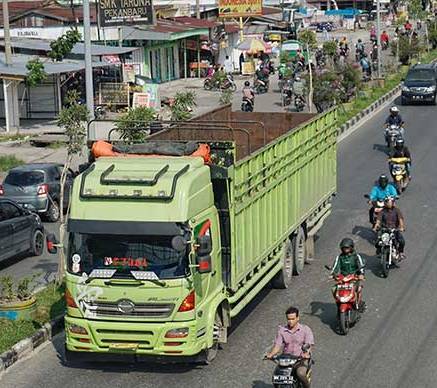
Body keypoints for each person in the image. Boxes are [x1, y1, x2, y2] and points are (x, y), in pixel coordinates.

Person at [266, 306, 314, 388]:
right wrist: (270, 354)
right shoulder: (282, 330)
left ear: (297, 318)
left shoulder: (305, 330)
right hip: (286, 359)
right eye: (288, 319)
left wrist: (306, 353)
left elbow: (309, 344)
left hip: (300, 359)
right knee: (276, 377)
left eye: (293, 319)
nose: (290, 321)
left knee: (301, 373)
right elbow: (277, 345)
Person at [331, 238, 366, 312]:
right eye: (344, 248)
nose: (345, 249)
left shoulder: (356, 256)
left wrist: (361, 274)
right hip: (343, 278)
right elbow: (335, 267)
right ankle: (339, 305)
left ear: (351, 247)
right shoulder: (340, 257)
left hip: (354, 277)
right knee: (334, 289)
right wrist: (333, 274)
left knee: (357, 289)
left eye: (347, 248)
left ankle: (357, 304)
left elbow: (361, 266)